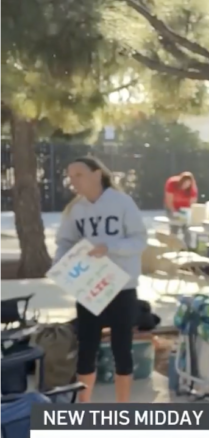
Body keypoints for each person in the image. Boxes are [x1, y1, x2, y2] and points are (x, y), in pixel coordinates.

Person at [54, 157, 147, 404]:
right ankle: (84, 408)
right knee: (86, 350)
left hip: (121, 287)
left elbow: (139, 240)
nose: (73, 181)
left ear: (97, 174)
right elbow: (64, 242)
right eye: (70, 176)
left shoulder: (122, 202)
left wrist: (110, 247)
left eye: (79, 174)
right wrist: (60, 264)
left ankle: (122, 409)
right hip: (89, 287)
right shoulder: (75, 209)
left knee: (122, 351)